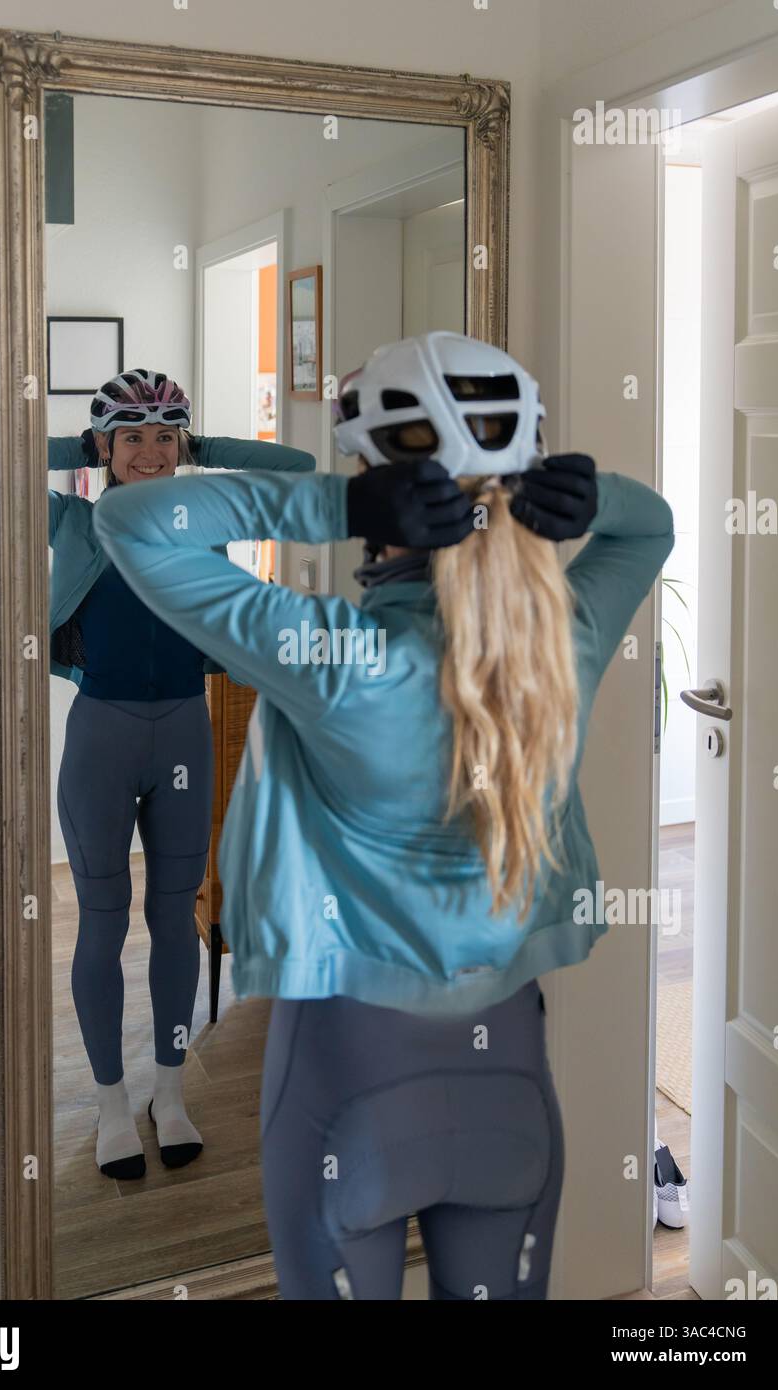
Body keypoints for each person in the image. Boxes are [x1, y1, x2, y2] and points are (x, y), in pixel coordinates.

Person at [89, 333, 674, 1297]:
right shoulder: (563, 639)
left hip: (343, 1087)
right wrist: (578, 495)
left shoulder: (331, 655)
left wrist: (330, 504)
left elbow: (137, 524)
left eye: (365, 472)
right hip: (514, 1097)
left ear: (384, 491)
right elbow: (648, 530)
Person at [48, 367, 315, 1181]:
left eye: (168, 436)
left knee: (173, 917)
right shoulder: (74, 521)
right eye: (133, 437)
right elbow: (1, 452)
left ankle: (169, 1093)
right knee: (103, 919)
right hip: (102, 734)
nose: (154, 452)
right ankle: (110, 1106)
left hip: (185, 734)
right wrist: (88, 444)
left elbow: (296, 468)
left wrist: (198, 448)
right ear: (105, 447)